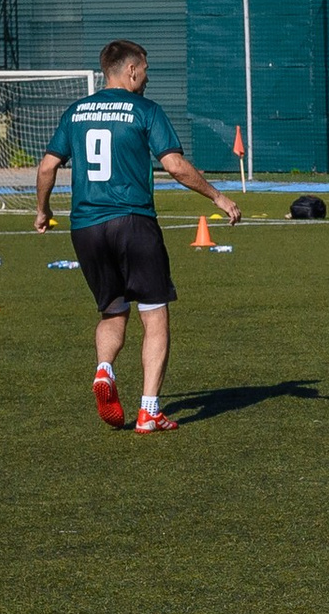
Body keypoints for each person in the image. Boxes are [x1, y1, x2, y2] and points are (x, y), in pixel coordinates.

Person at [34, 40, 240, 430]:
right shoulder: (145, 110)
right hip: (132, 222)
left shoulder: (76, 111)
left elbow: (47, 168)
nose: (146, 79)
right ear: (130, 71)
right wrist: (217, 196)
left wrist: (43, 210)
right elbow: (175, 166)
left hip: (86, 227)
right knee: (154, 314)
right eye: (145, 71)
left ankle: (104, 369)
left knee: (112, 310)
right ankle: (149, 410)